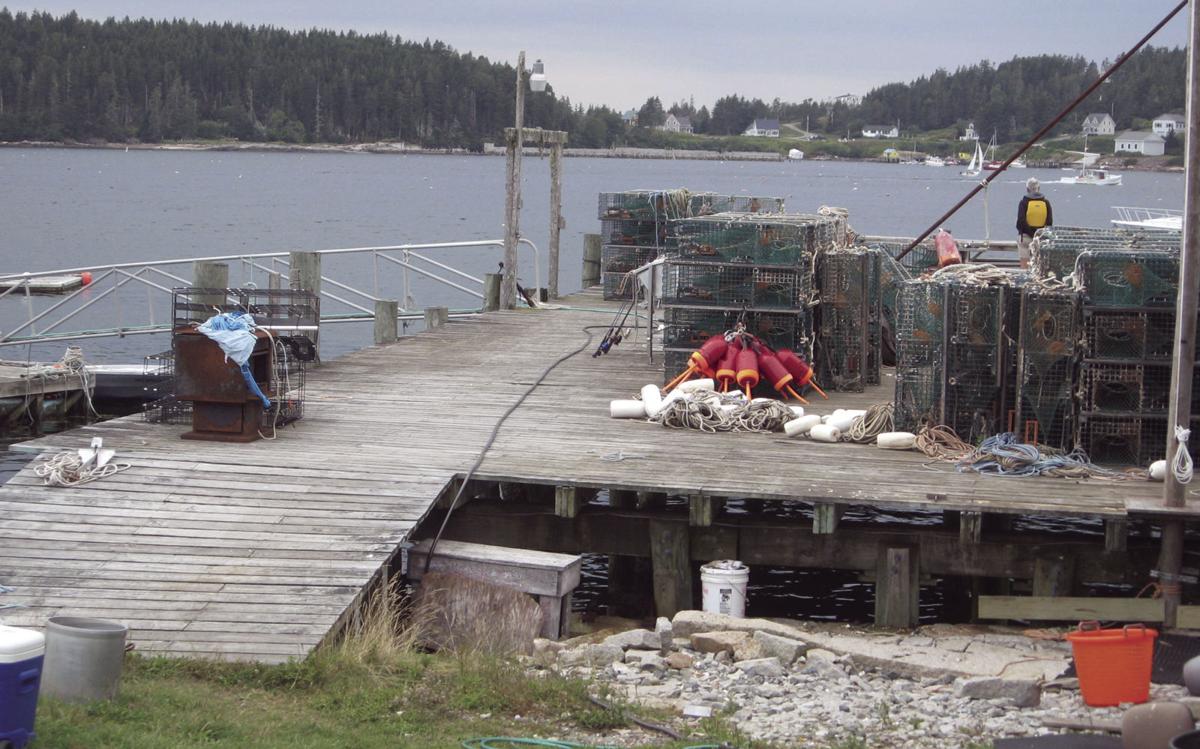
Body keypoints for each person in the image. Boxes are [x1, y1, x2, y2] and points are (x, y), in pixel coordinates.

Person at [1016, 177, 1052, 269]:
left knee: (1025, 262)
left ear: (1027, 189)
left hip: (1026, 237)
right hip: (1040, 237)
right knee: (1039, 262)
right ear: (1039, 188)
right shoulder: (1046, 203)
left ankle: (1025, 277)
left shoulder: (1023, 202)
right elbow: (1049, 222)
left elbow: (1021, 221)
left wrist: (1030, 233)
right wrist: (1038, 234)